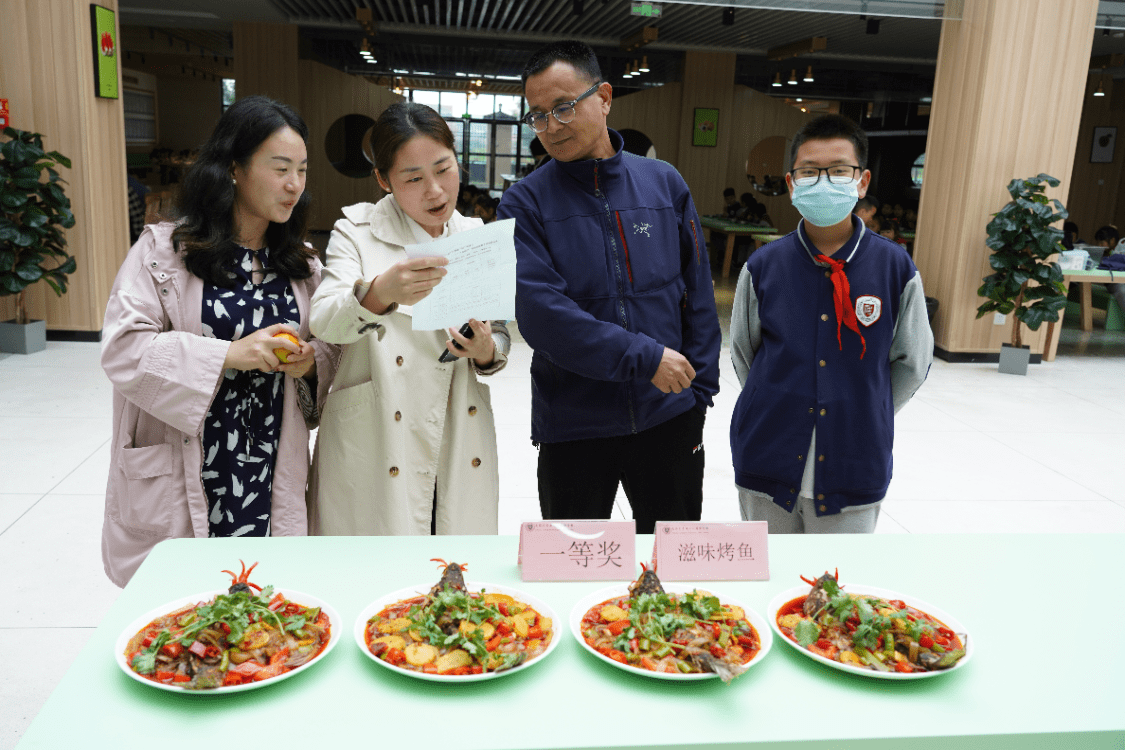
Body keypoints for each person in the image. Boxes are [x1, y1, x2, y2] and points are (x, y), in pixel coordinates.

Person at [100, 96, 339, 586]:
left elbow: (332, 350)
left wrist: (311, 362)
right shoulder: (164, 252)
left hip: (270, 460)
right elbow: (123, 349)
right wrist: (230, 353)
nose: (294, 184)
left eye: (302, 169)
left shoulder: (303, 264)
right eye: (279, 168)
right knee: (188, 609)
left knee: (263, 608)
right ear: (234, 168)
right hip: (196, 459)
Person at [497, 40, 722, 534]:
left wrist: (698, 392)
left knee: (672, 565)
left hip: (669, 416)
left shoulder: (664, 184)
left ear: (603, 96)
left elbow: (698, 294)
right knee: (576, 565)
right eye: (537, 115)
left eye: (563, 107)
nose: (550, 127)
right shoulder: (523, 204)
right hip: (574, 423)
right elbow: (542, 315)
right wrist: (645, 358)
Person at [308, 102, 510, 536]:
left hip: (457, 421)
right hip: (381, 426)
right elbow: (323, 320)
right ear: (384, 180)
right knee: (380, 559)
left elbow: (500, 335)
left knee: (449, 552)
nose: (436, 191)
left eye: (444, 169)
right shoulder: (358, 232)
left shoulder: (474, 235)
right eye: (414, 179)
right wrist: (379, 293)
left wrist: (485, 349)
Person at [730, 113, 933, 534]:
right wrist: (783, 397)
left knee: (838, 588)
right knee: (769, 578)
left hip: (854, 458)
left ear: (861, 182)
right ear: (791, 183)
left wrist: (862, 405)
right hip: (768, 452)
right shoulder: (763, 266)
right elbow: (744, 355)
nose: (824, 182)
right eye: (809, 172)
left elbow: (912, 363)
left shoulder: (895, 267)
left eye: (839, 170)